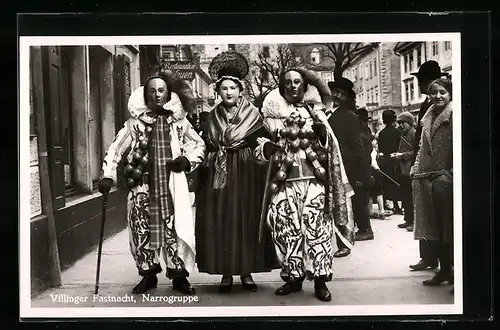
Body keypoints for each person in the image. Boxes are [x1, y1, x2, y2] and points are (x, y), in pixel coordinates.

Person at [99, 72, 206, 294]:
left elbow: (199, 145)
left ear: (168, 94)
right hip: (141, 187)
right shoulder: (134, 123)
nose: (156, 95)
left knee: (173, 231)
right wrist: (108, 174)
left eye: (161, 90)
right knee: (140, 231)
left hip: (171, 186)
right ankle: (148, 275)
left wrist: (187, 160)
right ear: (145, 94)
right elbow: (115, 148)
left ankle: (179, 277)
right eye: (152, 91)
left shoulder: (179, 122)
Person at [257, 68, 355, 302]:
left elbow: (331, 146)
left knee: (318, 232)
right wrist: (265, 149)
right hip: (284, 183)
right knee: (286, 231)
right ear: (282, 87)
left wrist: (323, 136)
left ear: (305, 86)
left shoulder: (316, 113)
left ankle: (321, 281)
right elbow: (258, 148)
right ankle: (293, 278)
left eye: (297, 82)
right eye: (288, 83)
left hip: (313, 182)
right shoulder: (271, 117)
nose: (292, 86)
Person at [195, 51, 279, 293]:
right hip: (219, 176)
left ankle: (246, 271)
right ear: (218, 92)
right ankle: (226, 272)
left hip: (247, 173)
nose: (229, 92)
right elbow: (205, 147)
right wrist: (212, 156)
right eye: (224, 89)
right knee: (222, 221)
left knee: (246, 219)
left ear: (241, 90)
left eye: (233, 88)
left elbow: (262, 145)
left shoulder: (254, 116)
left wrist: (266, 148)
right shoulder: (211, 118)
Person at [411, 77, 454, 288]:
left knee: (450, 230)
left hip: (446, 181)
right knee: (434, 229)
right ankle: (443, 271)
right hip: (428, 181)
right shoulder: (427, 116)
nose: (438, 96)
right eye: (434, 92)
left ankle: (454, 272)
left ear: (450, 94)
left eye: (442, 92)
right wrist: (416, 169)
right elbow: (421, 148)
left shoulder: (453, 115)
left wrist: (451, 174)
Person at [328, 78, 373, 248]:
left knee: (344, 206)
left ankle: (344, 243)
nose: (338, 96)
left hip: (343, 169)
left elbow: (357, 148)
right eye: (336, 92)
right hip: (322, 167)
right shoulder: (320, 113)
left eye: (343, 94)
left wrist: (356, 174)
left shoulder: (349, 118)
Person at [391, 111, 416, 231]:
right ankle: (408, 219)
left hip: (410, 171)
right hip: (403, 171)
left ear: (410, 123)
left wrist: (401, 155)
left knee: (411, 198)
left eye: (403, 123)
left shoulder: (413, 134)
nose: (400, 125)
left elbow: (416, 153)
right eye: (399, 123)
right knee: (405, 197)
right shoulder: (403, 134)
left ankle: (413, 222)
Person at [377, 110, 402, 215]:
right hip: (396, 160)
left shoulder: (381, 133)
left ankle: (391, 204)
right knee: (397, 183)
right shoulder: (397, 132)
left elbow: (380, 148)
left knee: (388, 183)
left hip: (386, 161)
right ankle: (397, 206)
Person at [369, 136, 386, 219]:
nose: (375, 142)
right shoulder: (373, 151)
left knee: (371, 194)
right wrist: (377, 168)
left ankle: (370, 211)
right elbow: (373, 163)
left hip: (371, 172)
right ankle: (381, 211)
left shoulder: (372, 151)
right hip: (375, 171)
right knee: (379, 192)